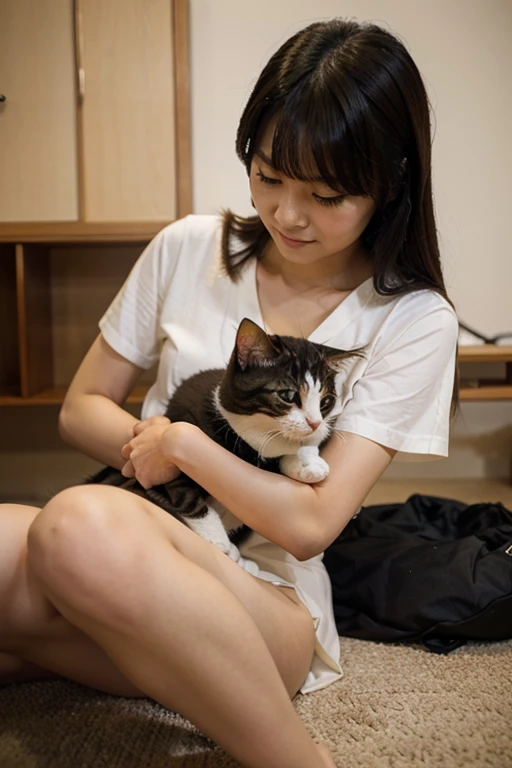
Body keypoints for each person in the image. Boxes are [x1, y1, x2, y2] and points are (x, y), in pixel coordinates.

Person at [0, 17, 458, 768]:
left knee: (77, 525)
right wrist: (151, 453)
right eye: (269, 176)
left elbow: (309, 526)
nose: (288, 214)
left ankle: (295, 757)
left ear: (392, 181)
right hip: (134, 530)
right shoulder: (189, 245)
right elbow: (81, 407)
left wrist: (182, 442)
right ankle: (63, 642)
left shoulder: (411, 319)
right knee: (52, 541)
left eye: (327, 194)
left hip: (261, 595)